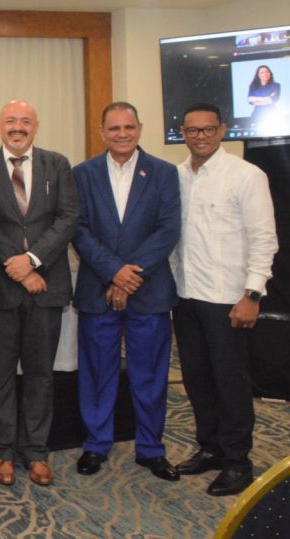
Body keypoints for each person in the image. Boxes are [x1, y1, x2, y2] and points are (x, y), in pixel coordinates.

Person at [0, 100, 78, 487]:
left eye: (26, 121)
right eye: (11, 121)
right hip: (2, 291)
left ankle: (35, 452)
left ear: (37, 126)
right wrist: (16, 267)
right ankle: (1, 452)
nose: (18, 127)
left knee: (40, 375)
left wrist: (32, 260)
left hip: (46, 286)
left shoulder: (57, 164)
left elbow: (68, 218)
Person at [71, 102, 181, 482]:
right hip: (97, 289)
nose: (122, 134)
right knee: (97, 372)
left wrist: (130, 275)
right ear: (102, 131)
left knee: (149, 374)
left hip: (148, 291)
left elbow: (168, 229)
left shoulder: (164, 173)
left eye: (129, 127)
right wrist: (113, 272)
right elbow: (79, 229)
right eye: (114, 128)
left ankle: (151, 448)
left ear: (140, 128)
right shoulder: (82, 174)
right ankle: (96, 444)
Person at [173, 103, 277, 496]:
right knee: (198, 380)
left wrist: (252, 294)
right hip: (185, 296)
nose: (200, 136)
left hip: (228, 299)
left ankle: (238, 462)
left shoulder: (247, 176)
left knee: (231, 382)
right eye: (192, 130)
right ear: (183, 132)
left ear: (223, 131)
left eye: (208, 129)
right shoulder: (177, 176)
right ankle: (210, 448)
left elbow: (265, 239)